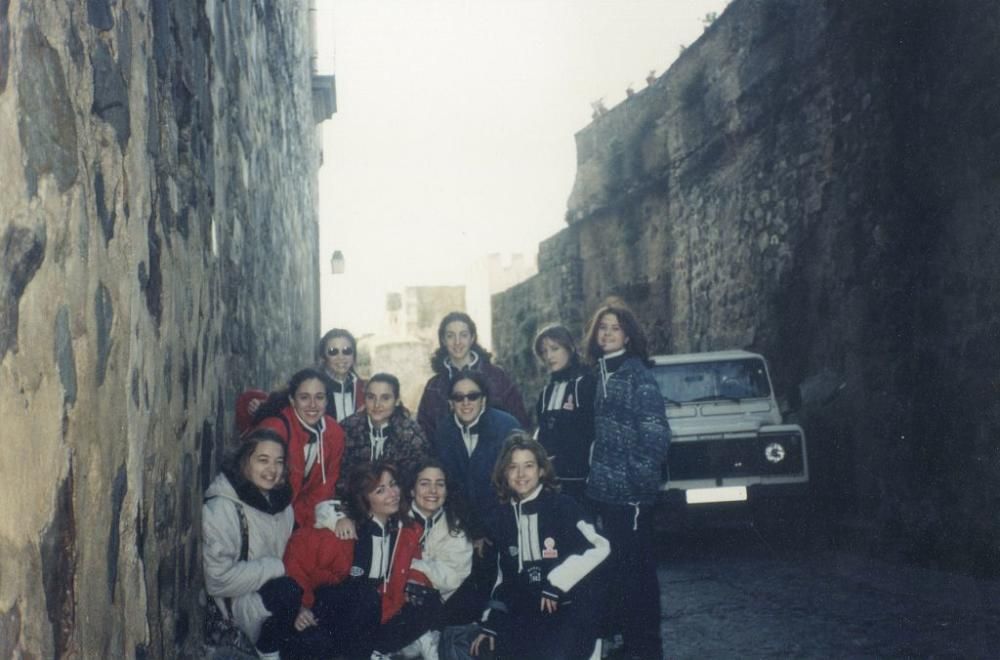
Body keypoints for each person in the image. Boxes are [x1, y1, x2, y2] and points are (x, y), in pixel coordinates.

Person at [469, 433, 609, 660]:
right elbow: (501, 579)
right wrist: (492, 622)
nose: (521, 474)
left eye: (529, 466)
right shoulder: (502, 519)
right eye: (513, 467)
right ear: (504, 473)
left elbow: (600, 547)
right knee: (484, 650)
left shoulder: (563, 507)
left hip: (569, 609)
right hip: (527, 614)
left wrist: (557, 582)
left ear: (542, 470)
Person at [585, 301, 670, 660]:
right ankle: (628, 642)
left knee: (638, 575)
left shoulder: (636, 375)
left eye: (615, 328)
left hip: (631, 498)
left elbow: (655, 436)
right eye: (602, 327)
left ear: (629, 335)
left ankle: (647, 648)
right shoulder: (600, 374)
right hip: (606, 494)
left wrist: (637, 484)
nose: (607, 333)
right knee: (618, 571)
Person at [203, 429, 300, 660]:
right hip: (238, 606)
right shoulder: (222, 509)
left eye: (278, 462)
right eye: (263, 460)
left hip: (274, 602)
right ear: (245, 461)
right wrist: (274, 567)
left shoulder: (282, 506)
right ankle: (267, 653)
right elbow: (217, 581)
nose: (272, 470)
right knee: (287, 591)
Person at [252, 368, 346, 529]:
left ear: (327, 401)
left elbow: (326, 485)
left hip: (305, 515)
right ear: (292, 400)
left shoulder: (334, 431)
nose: (312, 405)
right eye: (304, 397)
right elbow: (257, 482)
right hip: (265, 514)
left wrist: (302, 520)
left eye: (319, 397)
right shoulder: (275, 428)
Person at [417, 311, 530, 440]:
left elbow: (518, 422)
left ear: (472, 338)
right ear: (443, 340)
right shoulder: (433, 387)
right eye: (450, 336)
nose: (457, 342)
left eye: (463, 335)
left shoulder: (497, 377)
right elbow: (424, 431)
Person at [336, 373, 430, 501]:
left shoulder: (412, 434)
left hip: (396, 503)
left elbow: (413, 481)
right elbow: (341, 477)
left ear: (396, 401)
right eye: (371, 397)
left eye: (385, 398)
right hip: (354, 502)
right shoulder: (348, 429)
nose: (377, 405)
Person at [407, 460, 474, 638]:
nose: (433, 491)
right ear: (412, 490)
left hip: (435, 608)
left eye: (440, 484)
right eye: (424, 484)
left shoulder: (456, 528)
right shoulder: (396, 520)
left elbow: (453, 578)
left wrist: (415, 566)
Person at [532, 324, 596, 503]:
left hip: (581, 483)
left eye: (554, 349)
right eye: (544, 352)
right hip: (550, 482)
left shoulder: (586, 384)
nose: (549, 356)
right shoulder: (546, 393)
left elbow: (591, 433)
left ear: (570, 348)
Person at [317, 328, 366, 422]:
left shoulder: (364, 388)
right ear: (323, 357)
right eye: (333, 351)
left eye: (347, 351)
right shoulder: (313, 388)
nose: (341, 357)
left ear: (354, 355)